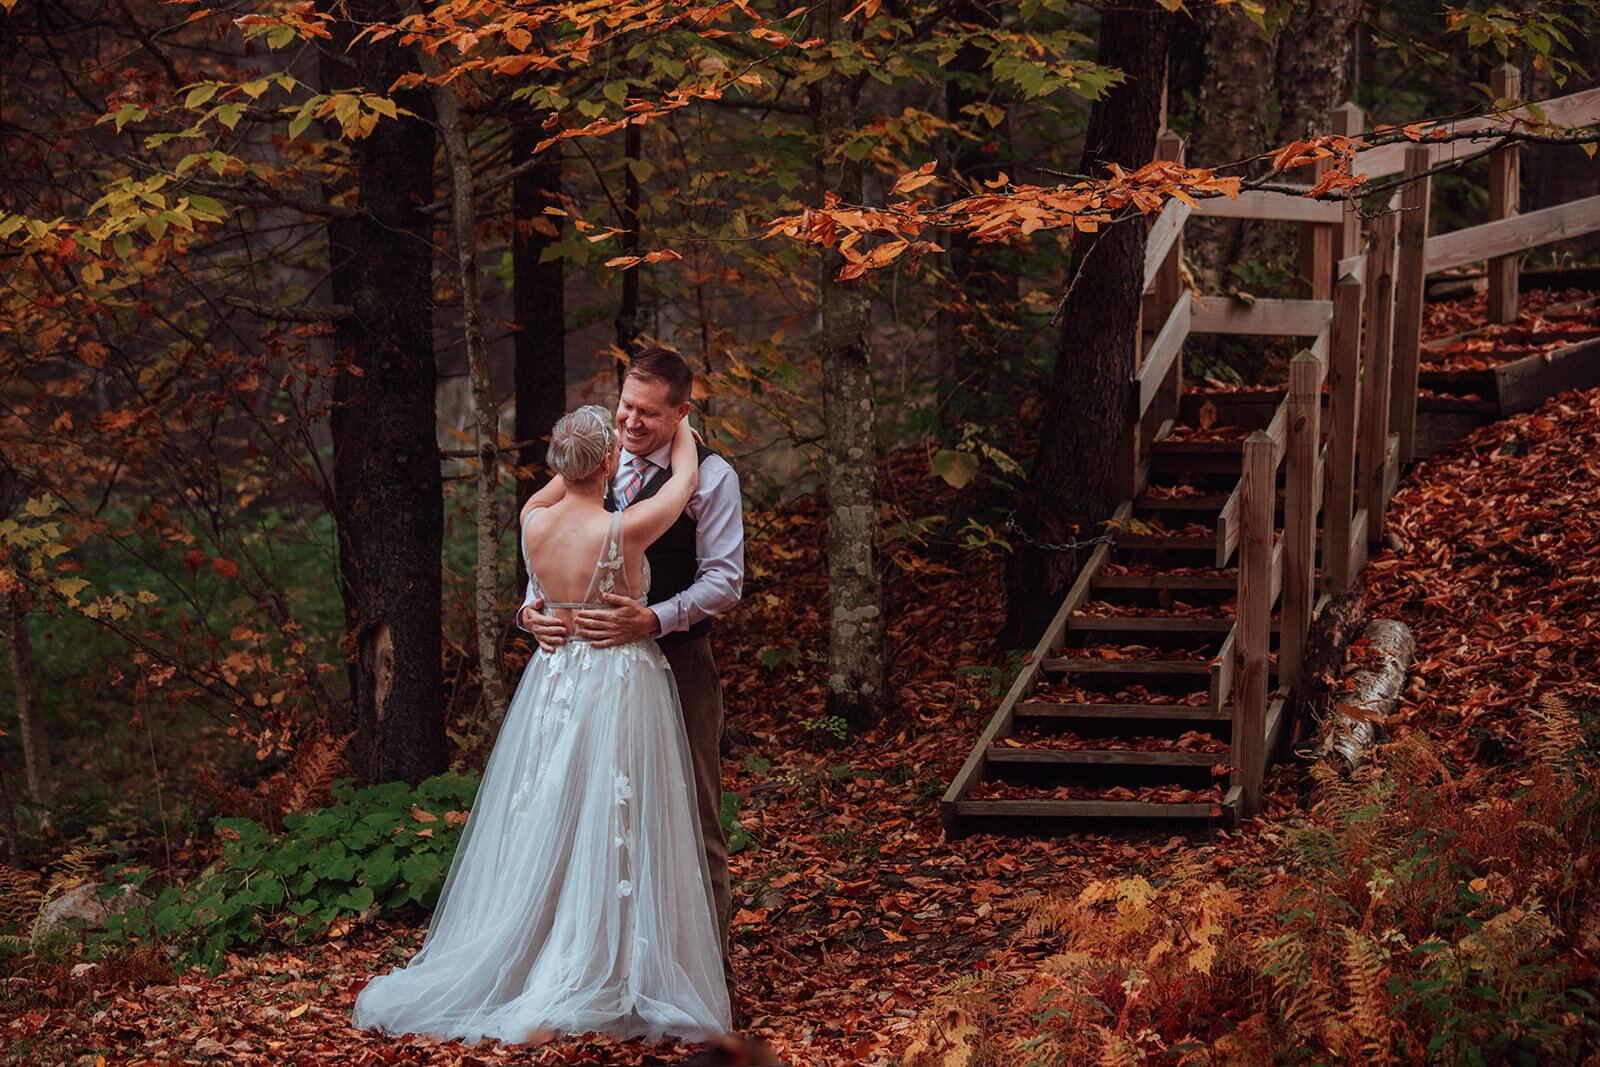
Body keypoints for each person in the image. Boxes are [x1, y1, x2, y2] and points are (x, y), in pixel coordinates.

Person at [352, 405, 730, 1044]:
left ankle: (552, 947)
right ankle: (604, 960)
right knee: (618, 817)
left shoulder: (532, 522)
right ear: (608, 464)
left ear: (558, 463)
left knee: (557, 810)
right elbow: (684, 486)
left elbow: (545, 493)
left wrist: (573, 465)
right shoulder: (624, 531)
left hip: (556, 680)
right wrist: (685, 435)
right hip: (618, 680)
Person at [515, 349, 744, 999]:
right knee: (587, 815)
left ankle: (709, 978)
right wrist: (532, 611)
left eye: (647, 411)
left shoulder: (712, 477)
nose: (630, 420)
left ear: (682, 412)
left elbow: (725, 581)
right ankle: (601, 969)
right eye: (624, 406)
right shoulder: (591, 462)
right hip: (590, 677)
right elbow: (543, 563)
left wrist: (657, 618)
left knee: (694, 818)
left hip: (677, 664)